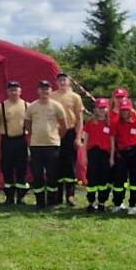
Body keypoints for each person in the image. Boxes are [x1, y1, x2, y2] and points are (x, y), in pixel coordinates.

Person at [26, 80, 70, 208]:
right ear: (38, 91)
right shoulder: (32, 106)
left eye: (47, 89)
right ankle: (40, 201)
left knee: (52, 174)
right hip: (36, 146)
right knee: (37, 174)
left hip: (52, 145)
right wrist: (34, 134)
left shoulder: (56, 106)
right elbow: (27, 124)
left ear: (50, 90)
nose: (44, 91)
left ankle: (52, 201)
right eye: (42, 89)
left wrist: (56, 137)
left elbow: (64, 126)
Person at [0, 81, 30, 205]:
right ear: (7, 91)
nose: (14, 92)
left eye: (16, 90)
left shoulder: (27, 105)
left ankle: (21, 197)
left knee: (21, 169)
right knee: (7, 169)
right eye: (11, 90)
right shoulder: (1, 106)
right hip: (7, 141)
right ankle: (9, 197)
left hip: (21, 141)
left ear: (20, 91)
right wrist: (5, 133)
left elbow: (30, 124)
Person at [52, 72, 85, 206]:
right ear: (56, 82)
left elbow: (79, 118)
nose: (62, 82)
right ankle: (58, 196)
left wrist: (78, 136)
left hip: (71, 133)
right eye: (60, 80)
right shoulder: (52, 96)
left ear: (69, 82)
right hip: (56, 133)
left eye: (64, 80)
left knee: (70, 165)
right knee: (57, 164)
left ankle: (70, 195)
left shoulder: (75, 97)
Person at [80, 98, 115, 212]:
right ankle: (91, 202)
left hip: (105, 154)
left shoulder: (110, 124)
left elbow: (112, 142)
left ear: (107, 109)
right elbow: (85, 141)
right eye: (100, 108)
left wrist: (111, 157)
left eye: (104, 108)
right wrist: (84, 156)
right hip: (93, 153)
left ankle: (101, 202)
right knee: (92, 178)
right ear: (95, 109)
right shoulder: (90, 123)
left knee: (103, 180)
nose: (102, 110)